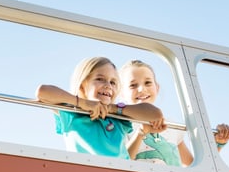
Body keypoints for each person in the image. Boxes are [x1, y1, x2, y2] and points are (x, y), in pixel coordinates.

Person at [36, 56, 164, 159]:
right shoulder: (72, 114)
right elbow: (42, 92)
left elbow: (155, 114)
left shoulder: (117, 117)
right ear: (82, 86)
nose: (108, 85)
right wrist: (82, 103)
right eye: (100, 79)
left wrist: (112, 109)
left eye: (113, 82)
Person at [120, 60, 229, 167]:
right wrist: (140, 132)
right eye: (133, 85)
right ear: (122, 93)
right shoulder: (121, 124)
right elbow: (121, 163)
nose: (141, 89)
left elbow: (193, 165)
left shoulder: (172, 126)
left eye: (148, 83)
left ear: (157, 88)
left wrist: (219, 143)